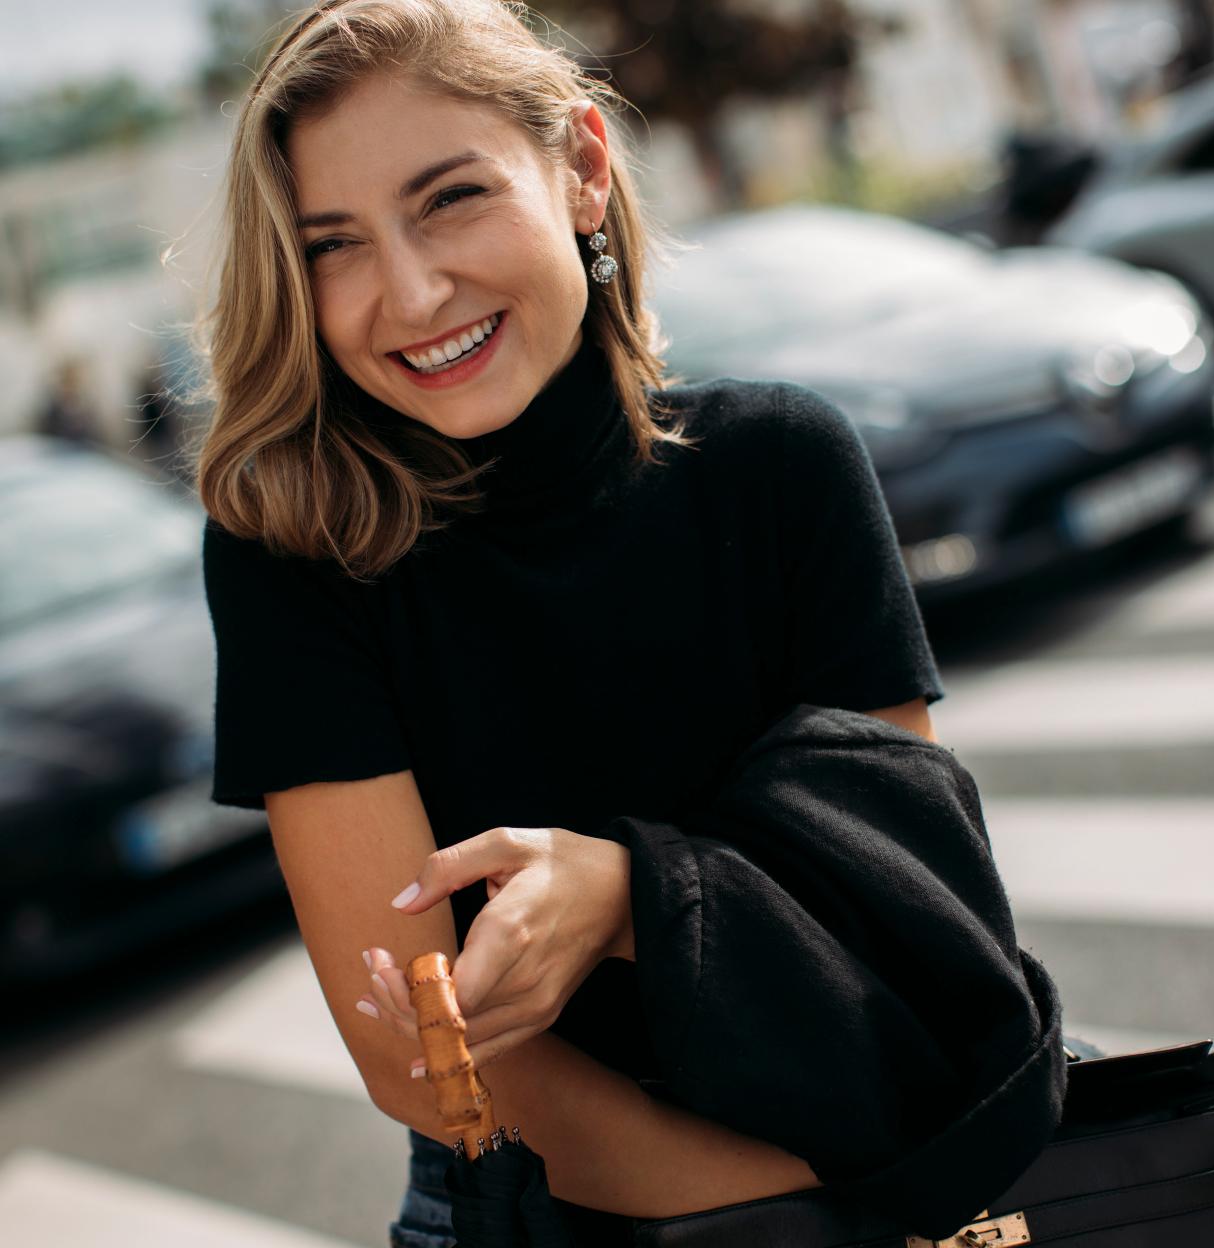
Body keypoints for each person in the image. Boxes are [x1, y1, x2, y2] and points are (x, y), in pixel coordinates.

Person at [196, 2, 944, 1244]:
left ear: (584, 169)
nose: (411, 292)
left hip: (896, 1146)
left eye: (451, 199)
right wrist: (823, 1221)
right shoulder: (297, 559)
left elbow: (914, 914)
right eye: (333, 247)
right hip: (563, 1202)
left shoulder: (784, 463)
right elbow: (429, 1063)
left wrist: (629, 898)